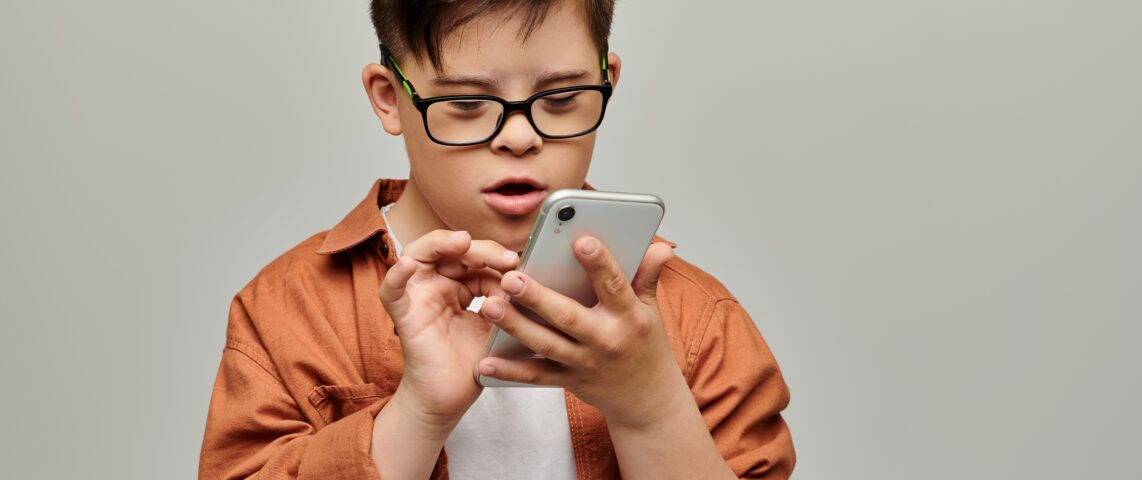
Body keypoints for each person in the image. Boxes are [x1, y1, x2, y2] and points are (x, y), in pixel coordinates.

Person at [198, 1, 795, 478]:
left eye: (560, 98)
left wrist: (650, 405)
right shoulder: (286, 309)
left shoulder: (696, 315)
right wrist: (418, 413)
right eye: (464, 103)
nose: (517, 137)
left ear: (606, 83)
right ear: (389, 97)